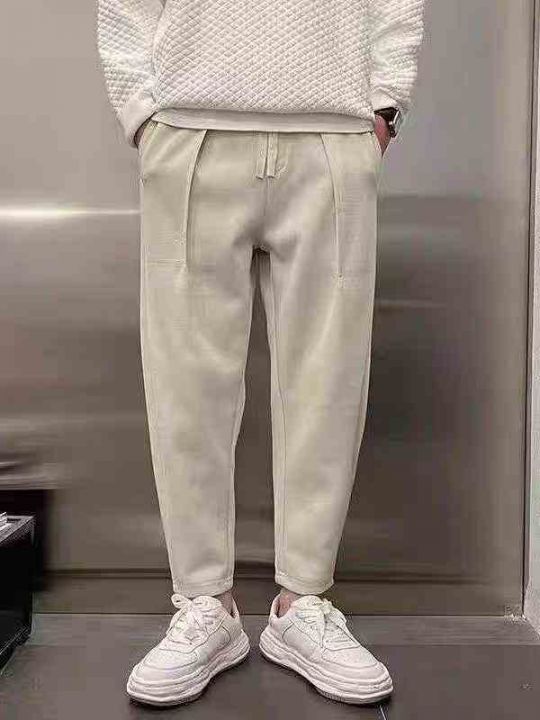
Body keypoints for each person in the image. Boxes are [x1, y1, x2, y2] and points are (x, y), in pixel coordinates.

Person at [97, 0, 425, 706]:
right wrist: (143, 112)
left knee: (328, 377)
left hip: (332, 131)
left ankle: (301, 602)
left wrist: (385, 108)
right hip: (190, 128)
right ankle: (204, 604)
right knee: (185, 381)